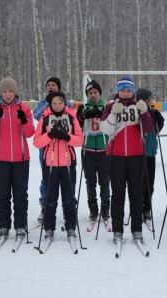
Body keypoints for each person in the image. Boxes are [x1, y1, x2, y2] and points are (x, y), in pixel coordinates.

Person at [100, 76, 153, 243]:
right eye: (122, 90)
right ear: (118, 91)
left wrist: (144, 112)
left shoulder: (137, 106)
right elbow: (106, 129)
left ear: (133, 91)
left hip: (136, 155)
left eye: (129, 90)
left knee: (136, 194)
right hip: (116, 156)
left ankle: (136, 229)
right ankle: (117, 230)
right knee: (117, 194)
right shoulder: (110, 107)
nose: (125, 93)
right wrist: (113, 115)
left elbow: (149, 128)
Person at [0, 77, 35, 239]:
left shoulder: (23, 108)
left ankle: (20, 225)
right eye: (4, 91)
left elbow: (29, 133)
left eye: (10, 91)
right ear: (1, 93)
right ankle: (4, 225)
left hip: (21, 159)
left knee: (20, 194)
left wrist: (25, 121)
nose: (7, 95)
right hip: (0, 159)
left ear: (15, 92)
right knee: (2, 194)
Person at [33, 91, 83, 240]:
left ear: (64, 103)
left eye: (60, 102)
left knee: (69, 198)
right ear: (50, 104)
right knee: (50, 198)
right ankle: (49, 227)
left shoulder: (72, 116)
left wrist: (67, 137)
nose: (57, 105)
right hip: (50, 164)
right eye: (54, 103)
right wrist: (49, 135)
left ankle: (71, 226)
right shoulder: (45, 117)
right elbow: (36, 142)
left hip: (68, 163)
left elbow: (80, 140)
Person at [76, 80, 110, 223]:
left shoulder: (107, 107)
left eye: (95, 92)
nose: (93, 95)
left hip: (104, 150)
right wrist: (84, 115)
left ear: (100, 93)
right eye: (90, 93)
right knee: (90, 182)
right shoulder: (83, 107)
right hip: (88, 151)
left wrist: (102, 113)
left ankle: (105, 209)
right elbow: (79, 121)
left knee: (104, 181)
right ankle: (93, 210)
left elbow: (111, 121)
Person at [136, 88, 164, 223]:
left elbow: (159, 126)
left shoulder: (153, 112)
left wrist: (159, 123)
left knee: (150, 183)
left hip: (151, 152)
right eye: (149, 99)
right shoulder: (137, 112)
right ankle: (138, 208)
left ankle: (147, 208)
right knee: (139, 183)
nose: (152, 101)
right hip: (138, 153)